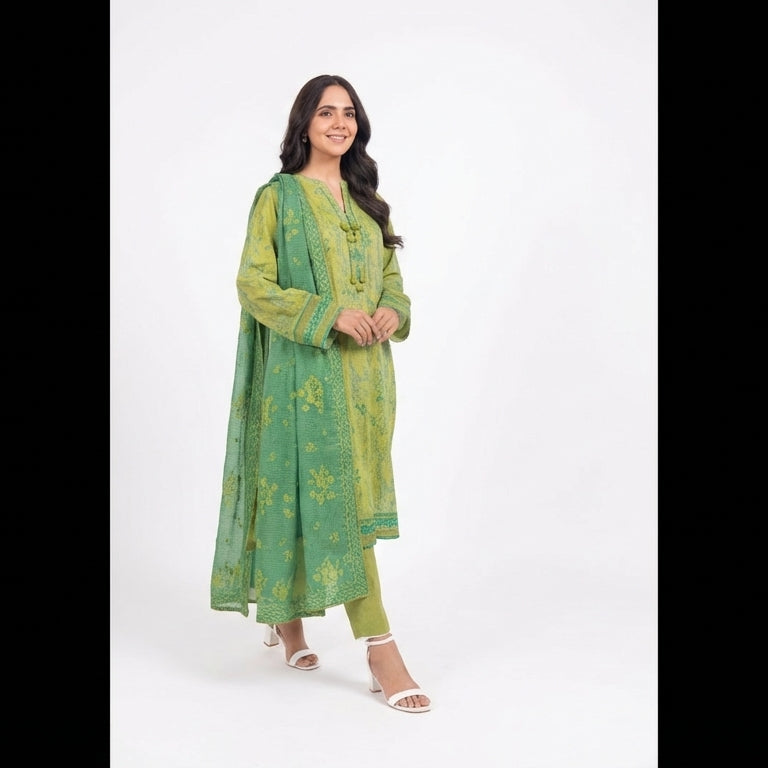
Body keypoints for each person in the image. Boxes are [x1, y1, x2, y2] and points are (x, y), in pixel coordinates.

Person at [210, 74, 431, 713]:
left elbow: (392, 280)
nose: (340, 123)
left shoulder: (368, 201)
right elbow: (253, 283)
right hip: (303, 377)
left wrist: (392, 310)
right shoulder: (277, 198)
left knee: (333, 498)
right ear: (304, 123)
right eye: (327, 112)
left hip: (367, 382)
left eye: (349, 113)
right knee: (333, 503)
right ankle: (381, 648)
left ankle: (286, 619)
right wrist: (328, 314)